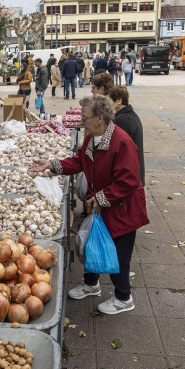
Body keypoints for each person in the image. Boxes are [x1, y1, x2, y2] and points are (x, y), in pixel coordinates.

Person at [29, 95, 148, 315]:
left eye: (85, 118)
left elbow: (129, 180)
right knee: (92, 243)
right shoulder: (93, 137)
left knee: (118, 253)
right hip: (103, 204)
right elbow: (79, 161)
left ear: (100, 118)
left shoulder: (121, 142)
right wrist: (52, 164)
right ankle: (91, 284)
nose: (81, 122)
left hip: (123, 209)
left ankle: (124, 298)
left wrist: (101, 198)